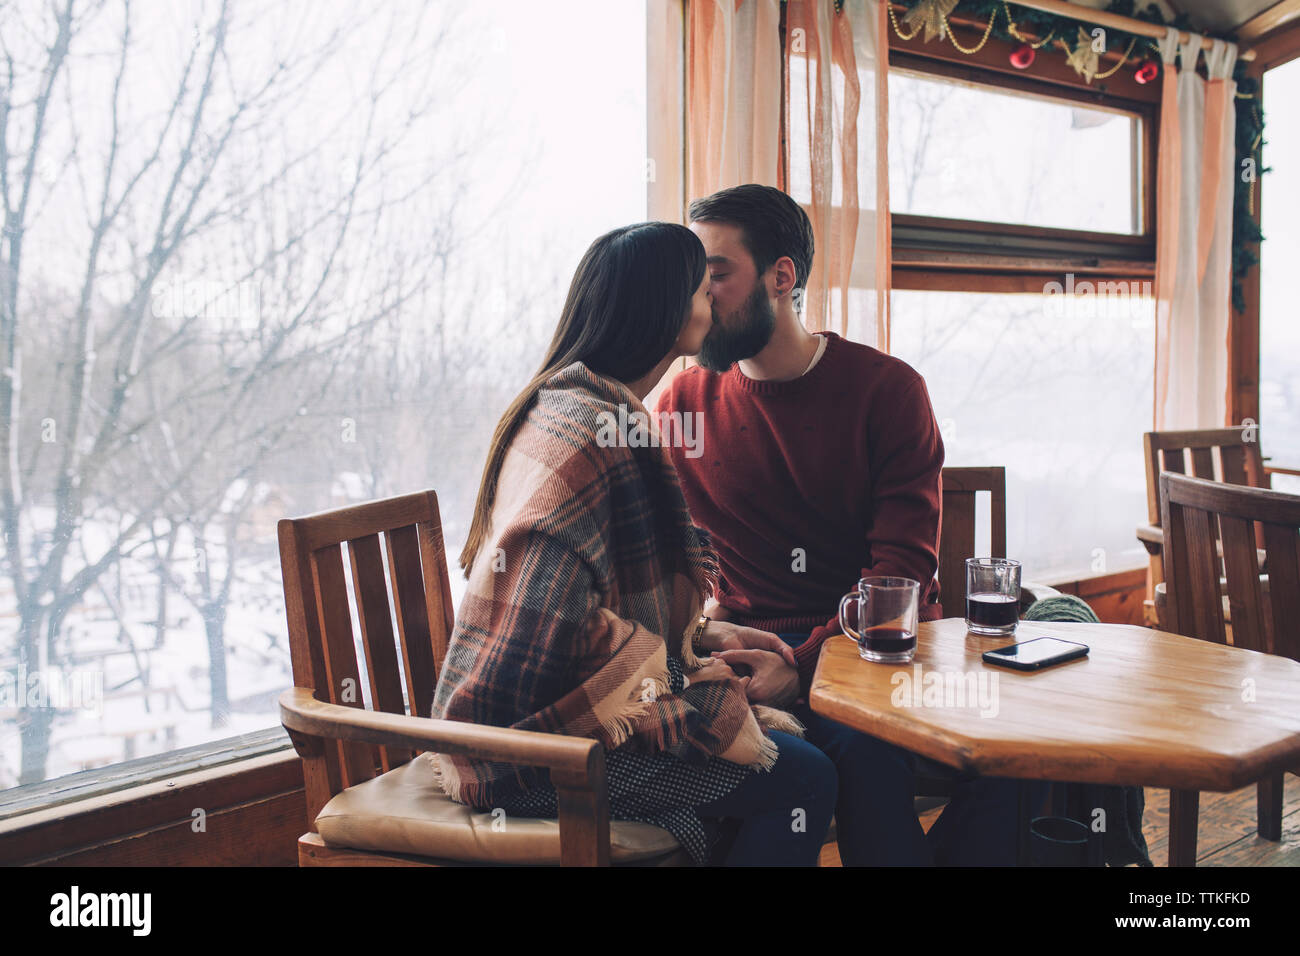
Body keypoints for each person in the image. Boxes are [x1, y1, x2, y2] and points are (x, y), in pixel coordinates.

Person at [656, 183, 1048, 865]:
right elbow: (668, 560)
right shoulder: (682, 401)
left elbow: (897, 575)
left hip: (880, 648)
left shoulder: (887, 390)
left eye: (717, 273)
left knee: (883, 754)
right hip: (745, 643)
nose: (700, 296)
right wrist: (702, 630)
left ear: (782, 276)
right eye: (695, 278)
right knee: (779, 773)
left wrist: (804, 668)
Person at [431, 221, 837, 866]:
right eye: (704, 291)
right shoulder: (595, 431)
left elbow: (586, 599)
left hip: (522, 725)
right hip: (536, 753)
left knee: (765, 753)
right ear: (673, 310)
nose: (714, 306)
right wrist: (677, 674)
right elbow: (548, 620)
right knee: (804, 775)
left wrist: (703, 640)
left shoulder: (569, 405)